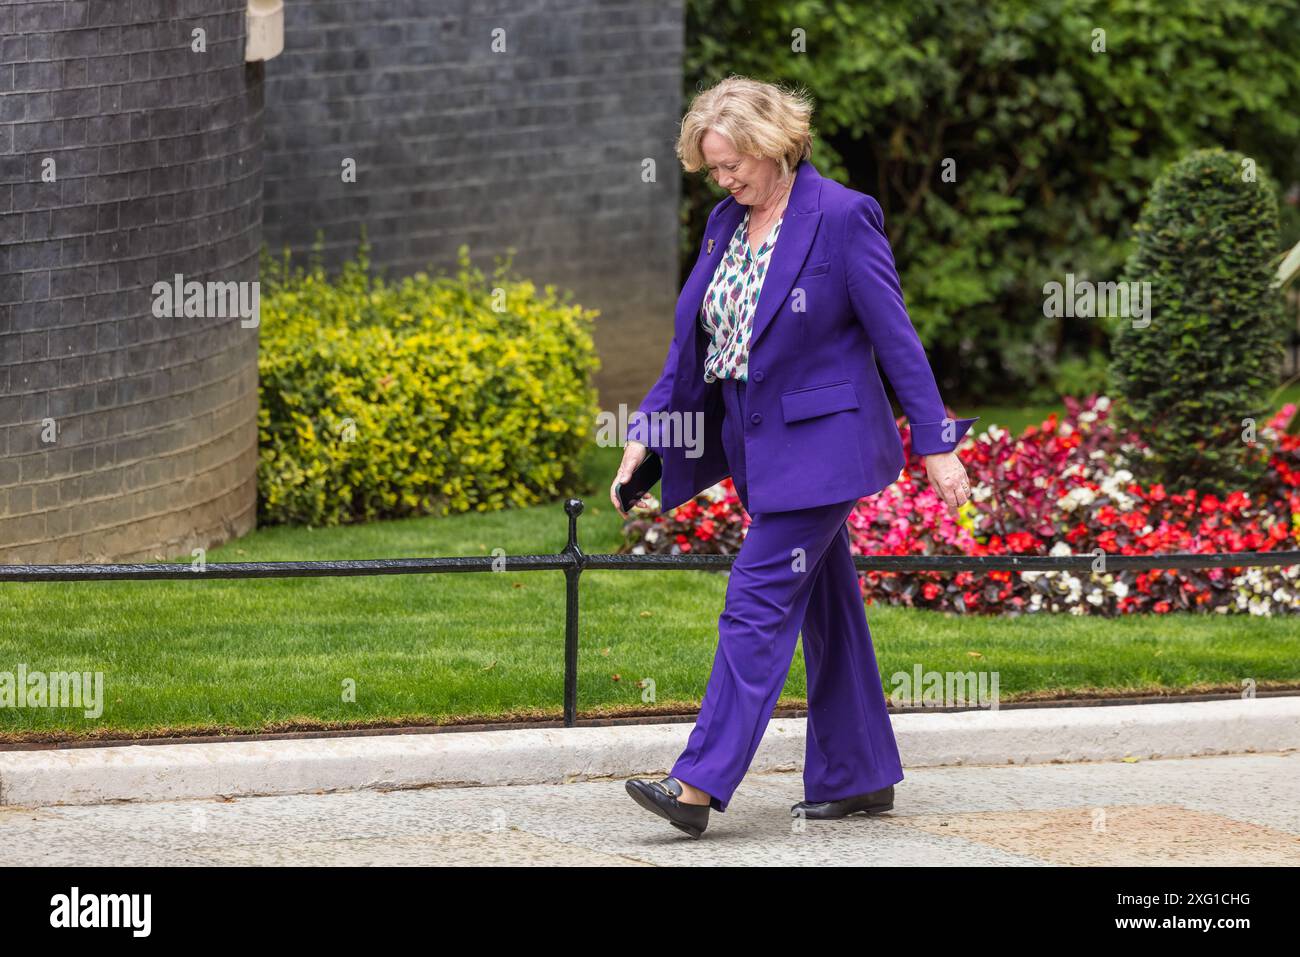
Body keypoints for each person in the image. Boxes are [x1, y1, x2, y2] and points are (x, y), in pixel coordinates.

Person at [613, 76, 977, 839]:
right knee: (828, 602)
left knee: (756, 602)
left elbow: (896, 338)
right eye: (713, 168)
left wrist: (936, 444)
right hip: (760, 449)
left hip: (825, 450)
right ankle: (858, 773)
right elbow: (697, 346)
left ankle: (697, 783)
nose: (725, 178)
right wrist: (648, 433)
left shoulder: (842, 218)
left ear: (774, 142)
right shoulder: (723, 224)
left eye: (732, 162)